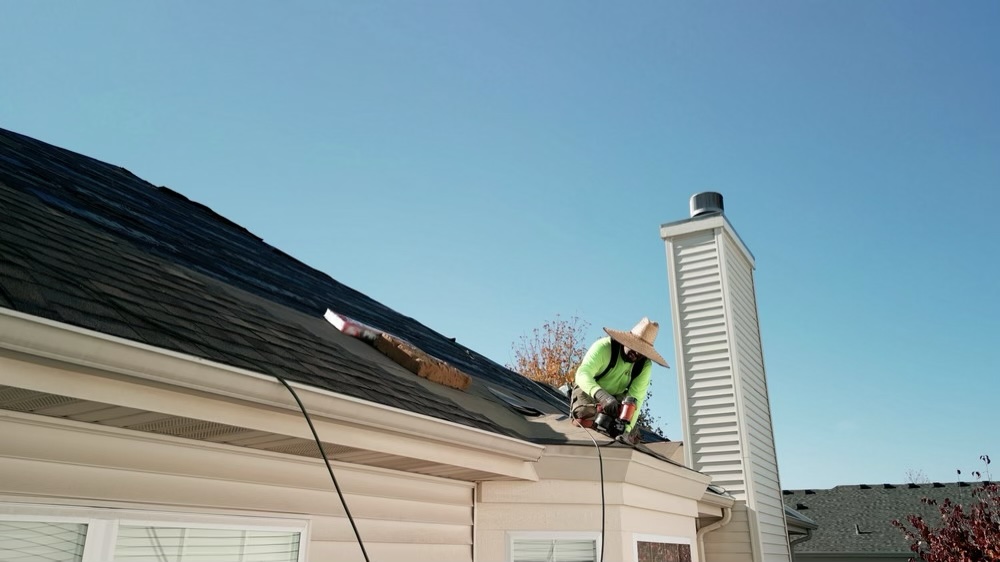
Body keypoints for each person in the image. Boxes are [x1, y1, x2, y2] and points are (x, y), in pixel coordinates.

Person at [571, 317, 669, 443]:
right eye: (634, 347)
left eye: (641, 352)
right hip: (590, 390)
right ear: (626, 341)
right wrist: (601, 395)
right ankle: (594, 426)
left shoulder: (644, 365)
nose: (636, 353)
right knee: (583, 416)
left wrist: (625, 431)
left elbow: (636, 399)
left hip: (617, 398)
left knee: (630, 434)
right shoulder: (605, 347)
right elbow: (582, 374)